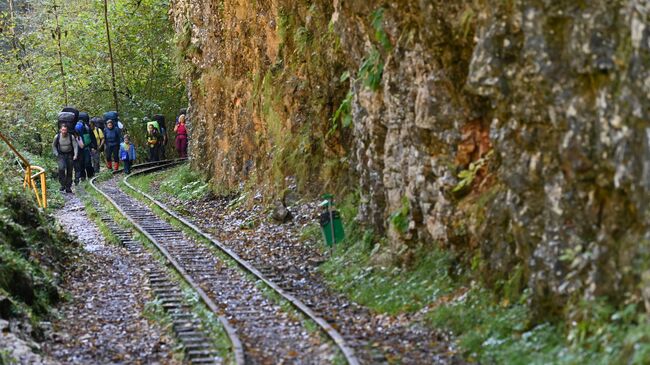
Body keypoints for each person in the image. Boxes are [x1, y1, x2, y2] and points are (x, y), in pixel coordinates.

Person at [52, 124, 78, 193]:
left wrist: (75, 155)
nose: (64, 131)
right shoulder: (57, 137)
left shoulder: (71, 136)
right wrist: (56, 153)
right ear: (60, 130)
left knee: (70, 171)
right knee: (61, 168)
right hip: (61, 155)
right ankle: (62, 184)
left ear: (67, 130)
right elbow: (54, 146)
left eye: (65, 130)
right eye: (63, 130)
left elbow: (75, 146)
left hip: (69, 155)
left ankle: (68, 187)